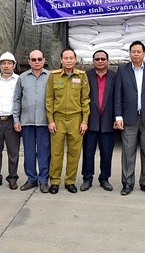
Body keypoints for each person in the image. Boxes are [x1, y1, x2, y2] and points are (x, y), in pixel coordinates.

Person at [114, 41, 145, 196]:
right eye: (133, 51)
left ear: (144, 53)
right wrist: (118, 116)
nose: (136, 54)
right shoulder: (122, 70)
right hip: (129, 117)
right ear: (130, 53)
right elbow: (118, 94)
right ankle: (127, 183)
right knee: (128, 152)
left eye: (138, 51)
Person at [46, 48, 90, 194]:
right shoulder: (54, 76)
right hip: (58, 119)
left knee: (74, 152)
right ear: (61, 60)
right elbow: (49, 100)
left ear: (75, 60)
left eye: (71, 58)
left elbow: (85, 100)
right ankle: (55, 181)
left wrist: (84, 121)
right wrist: (50, 120)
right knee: (56, 152)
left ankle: (70, 181)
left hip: (75, 119)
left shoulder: (82, 76)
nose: (69, 60)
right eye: (66, 58)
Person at [13, 49, 51, 194]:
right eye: (33, 60)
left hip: (44, 121)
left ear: (44, 60)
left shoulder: (51, 77)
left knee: (44, 152)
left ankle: (43, 180)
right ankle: (31, 178)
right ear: (29, 61)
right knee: (29, 152)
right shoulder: (22, 78)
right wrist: (16, 119)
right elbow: (16, 99)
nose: (36, 62)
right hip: (27, 121)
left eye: (39, 59)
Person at [80, 50, 117, 192]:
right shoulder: (86, 76)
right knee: (88, 153)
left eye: (103, 59)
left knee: (107, 153)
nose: (100, 61)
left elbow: (118, 98)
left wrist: (117, 117)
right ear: (93, 61)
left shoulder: (114, 76)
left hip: (108, 121)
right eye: (97, 59)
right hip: (90, 121)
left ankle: (104, 178)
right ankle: (87, 179)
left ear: (108, 61)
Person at [0, 52, 21, 190]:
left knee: (13, 151)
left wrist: (18, 120)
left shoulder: (19, 79)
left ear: (14, 65)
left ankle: (12, 178)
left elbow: (20, 101)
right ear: (0, 65)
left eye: (9, 63)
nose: (6, 66)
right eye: (3, 63)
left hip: (11, 119)